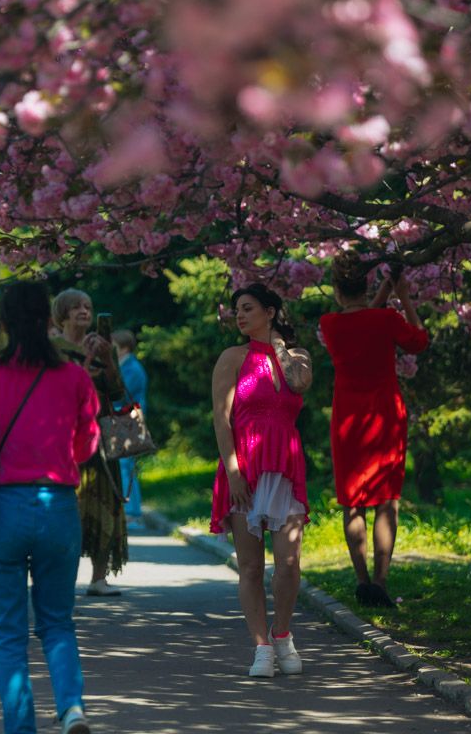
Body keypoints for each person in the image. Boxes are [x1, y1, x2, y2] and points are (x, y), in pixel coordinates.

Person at [0, 280, 99, 734]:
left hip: (3, 510)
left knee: (9, 631)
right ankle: (71, 706)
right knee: (57, 621)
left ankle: (21, 726)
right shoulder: (74, 376)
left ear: (3, 322)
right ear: (50, 320)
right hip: (56, 505)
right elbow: (89, 443)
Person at [210, 283, 313, 678]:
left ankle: (283, 633)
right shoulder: (231, 358)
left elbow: (299, 384)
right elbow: (222, 418)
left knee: (288, 562)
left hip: (285, 465)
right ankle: (262, 648)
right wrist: (233, 471)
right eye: (237, 309)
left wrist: (278, 346)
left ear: (270, 312)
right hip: (245, 466)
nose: (239, 315)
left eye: (248, 308)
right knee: (251, 568)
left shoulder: (298, 356)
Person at [319, 255, 429, 608]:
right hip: (385, 415)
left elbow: (362, 319)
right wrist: (404, 297)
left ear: (337, 290)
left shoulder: (330, 324)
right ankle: (381, 580)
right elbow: (418, 341)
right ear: (366, 286)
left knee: (353, 502)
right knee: (386, 500)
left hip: (348, 419)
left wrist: (384, 290)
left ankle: (362, 579)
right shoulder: (386, 319)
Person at [51, 289, 128, 597]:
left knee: (106, 503)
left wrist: (107, 360)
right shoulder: (52, 349)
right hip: (62, 438)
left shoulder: (103, 346)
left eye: (87, 306)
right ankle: (61, 577)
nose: (83, 311)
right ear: (63, 313)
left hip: (101, 437)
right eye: (76, 307)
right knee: (68, 507)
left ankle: (99, 577)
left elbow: (118, 391)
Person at [112, 329, 147, 524]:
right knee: (124, 465)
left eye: (114, 346)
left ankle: (132, 512)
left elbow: (121, 394)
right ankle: (130, 510)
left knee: (125, 465)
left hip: (129, 420)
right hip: (123, 419)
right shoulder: (125, 365)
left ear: (124, 347)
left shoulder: (132, 368)